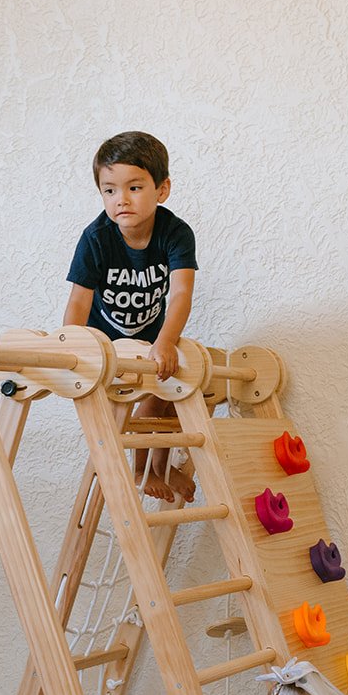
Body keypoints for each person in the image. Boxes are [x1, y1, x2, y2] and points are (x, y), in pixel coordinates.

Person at [64, 131, 197, 501]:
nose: (120, 199)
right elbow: (78, 300)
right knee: (143, 400)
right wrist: (71, 348)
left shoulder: (175, 233)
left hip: (148, 341)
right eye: (109, 190)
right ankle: (141, 469)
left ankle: (161, 465)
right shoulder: (96, 237)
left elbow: (182, 293)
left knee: (171, 390)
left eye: (134, 188)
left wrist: (166, 342)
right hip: (103, 341)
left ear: (162, 189)